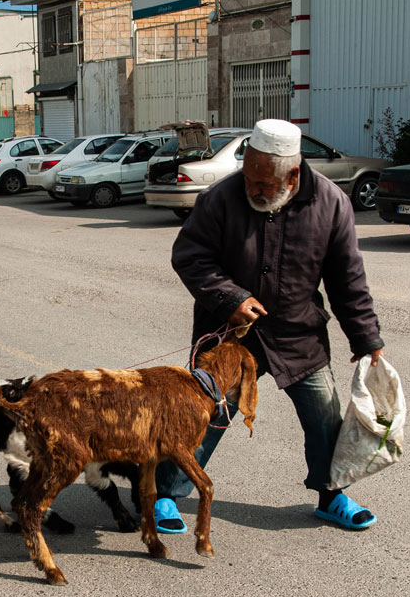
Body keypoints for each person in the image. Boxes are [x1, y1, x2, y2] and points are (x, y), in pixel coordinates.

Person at [156, 118, 384, 534]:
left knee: (325, 418)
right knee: (205, 416)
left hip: (299, 335)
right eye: (249, 176)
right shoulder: (220, 199)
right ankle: (165, 495)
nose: (253, 188)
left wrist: (366, 336)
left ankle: (332, 495)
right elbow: (190, 256)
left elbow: (347, 278)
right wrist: (231, 299)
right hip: (229, 336)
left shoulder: (331, 204)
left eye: (264, 182)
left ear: (293, 174)